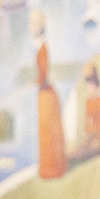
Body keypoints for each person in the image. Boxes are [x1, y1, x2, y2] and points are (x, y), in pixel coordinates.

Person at [32, 11, 66, 181]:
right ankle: (49, 168)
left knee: (48, 132)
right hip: (44, 93)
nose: (31, 28)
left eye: (33, 25)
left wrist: (37, 81)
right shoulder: (41, 47)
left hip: (46, 95)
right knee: (46, 132)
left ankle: (52, 169)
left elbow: (43, 74)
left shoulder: (43, 49)